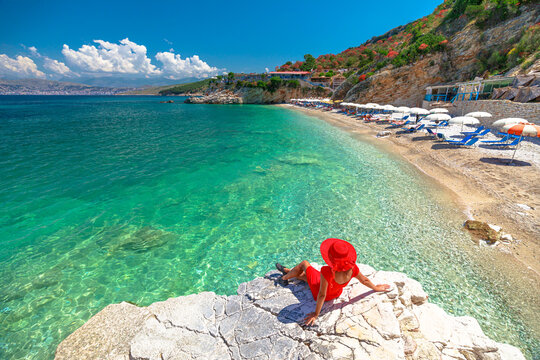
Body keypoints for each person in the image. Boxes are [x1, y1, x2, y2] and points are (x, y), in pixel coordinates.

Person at [276, 238, 391, 326]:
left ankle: (284, 278)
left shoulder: (327, 271)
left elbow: (321, 294)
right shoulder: (353, 269)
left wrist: (316, 314)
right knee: (305, 277)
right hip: (335, 293)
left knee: (305, 264)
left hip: (320, 293)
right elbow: (364, 280)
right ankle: (287, 270)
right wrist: (376, 288)